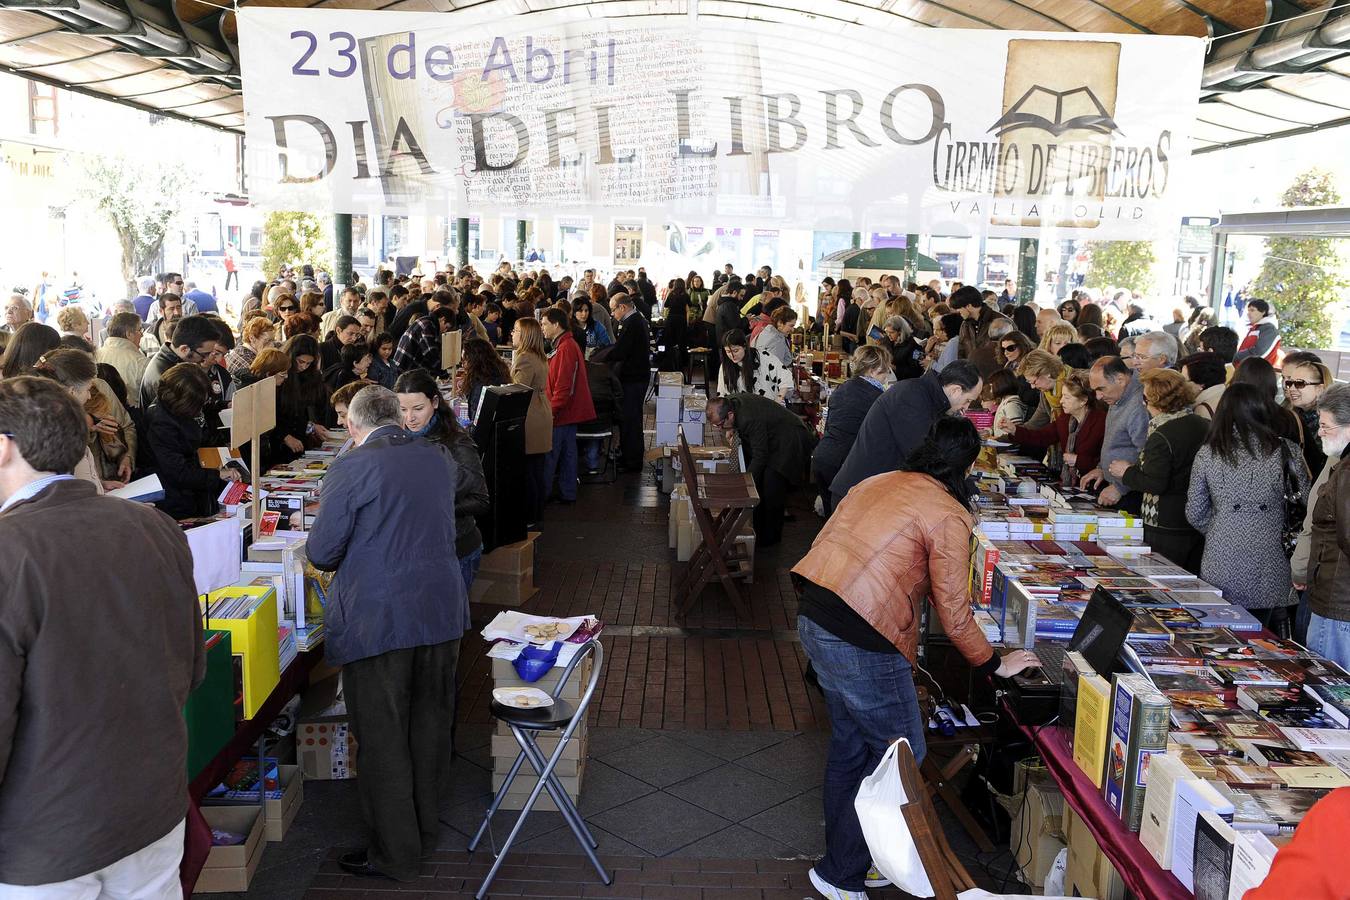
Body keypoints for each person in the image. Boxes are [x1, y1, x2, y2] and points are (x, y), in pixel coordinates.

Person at [792, 417, 1037, 900]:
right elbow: (953, 609)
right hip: (863, 636)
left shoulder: (879, 479)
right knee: (902, 755)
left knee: (853, 749)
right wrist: (993, 665)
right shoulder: (947, 512)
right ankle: (843, 872)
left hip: (817, 613)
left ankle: (853, 861)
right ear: (966, 468)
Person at [0, 376, 204, 898]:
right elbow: (192, 666)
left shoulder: (11, 550)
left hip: (46, 839)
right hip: (151, 808)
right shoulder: (153, 525)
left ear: (4, 448)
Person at [306, 386, 467, 883]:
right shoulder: (439, 457)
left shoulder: (351, 467)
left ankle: (395, 854)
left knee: (382, 735)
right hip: (439, 610)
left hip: (379, 617)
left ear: (352, 428)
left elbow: (323, 551)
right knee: (429, 725)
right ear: (400, 418)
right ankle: (424, 830)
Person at [1186, 383, 1310, 625]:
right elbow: (1303, 501)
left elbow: (1195, 510)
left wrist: (1222, 527)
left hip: (1222, 549)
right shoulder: (1286, 449)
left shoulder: (1209, 452)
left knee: (1221, 625)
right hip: (1272, 549)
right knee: (1267, 630)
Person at [830, 361, 983, 508]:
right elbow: (925, 456)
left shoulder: (928, 398)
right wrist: (964, 490)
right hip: (859, 498)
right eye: (968, 400)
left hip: (874, 496)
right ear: (955, 390)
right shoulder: (912, 396)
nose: (965, 408)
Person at [1107, 369, 1210, 574]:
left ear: (1156, 400)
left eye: (1145, 398)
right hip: (1196, 521)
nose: (1143, 403)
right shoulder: (1204, 425)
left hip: (1164, 524)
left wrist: (1125, 472)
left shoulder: (1161, 434)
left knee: (1163, 581)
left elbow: (1155, 482)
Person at [396, 369, 490, 591]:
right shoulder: (396, 439)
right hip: (413, 550)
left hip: (455, 549)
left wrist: (432, 507)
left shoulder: (457, 443)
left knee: (448, 622)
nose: (410, 418)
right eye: (402, 410)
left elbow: (481, 499)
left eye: (418, 409)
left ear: (435, 402)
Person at [707, 393, 816, 547]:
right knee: (760, 483)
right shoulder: (729, 403)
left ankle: (770, 539)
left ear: (730, 415)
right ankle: (758, 530)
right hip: (773, 437)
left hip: (789, 439)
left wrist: (745, 483)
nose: (719, 429)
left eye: (720, 424)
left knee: (772, 485)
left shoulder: (749, 419)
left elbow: (760, 456)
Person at [146, 363, 242, 519]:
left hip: (192, 489)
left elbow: (207, 410)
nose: (201, 407)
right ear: (186, 402)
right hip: (175, 499)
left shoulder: (177, 408)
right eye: (199, 403)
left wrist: (223, 405)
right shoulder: (161, 423)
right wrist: (217, 475)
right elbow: (177, 472)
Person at [1297, 384, 1350, 665]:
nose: (1319, 432)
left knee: (1329, 690)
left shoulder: (1347, 471)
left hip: (1338, 602)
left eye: (1326, 426)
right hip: (1335, 599)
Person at [811, 346, 889, 517]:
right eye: (885, 371)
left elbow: (830, 425)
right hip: (846, 466)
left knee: (830, 523)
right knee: (844, 524)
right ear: (874, 370)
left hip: (823, 457)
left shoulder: (843, 388)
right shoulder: (879, 398)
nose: (887, 375)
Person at [1003, 369, 1105, 487]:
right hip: (1071, 485)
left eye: (1067, 397)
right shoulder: (1065, 419)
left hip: (1094, 487)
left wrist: (1078, 460)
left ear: (1083, 401)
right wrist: (1014, 430)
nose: (1061, 401)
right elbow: (1042, 437)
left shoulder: (1101, 422)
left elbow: (1105, 462)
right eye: (1062, 396)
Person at [1078, 356, 1149, 508]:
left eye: (1101, 389)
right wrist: (1101, 468)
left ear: (1120, 379)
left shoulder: (1138, 407)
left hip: (1130, 493)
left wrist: (1120, 488)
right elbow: (1117, 442)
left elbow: (1147, 456)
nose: (1098, 396)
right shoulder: (1118, 394)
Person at [541, 307, 594, 503]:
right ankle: (567, 493)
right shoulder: (566, 345)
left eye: (545, 324)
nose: (543, 328)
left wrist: (552, 412)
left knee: (553, 456)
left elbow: (564, 387)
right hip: (567, 412)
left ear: (556, 325)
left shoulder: (565, 348)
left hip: (562, 412)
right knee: (567, 455)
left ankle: (545, 496)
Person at [510, 317, 553, 527]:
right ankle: (536, 515)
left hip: (530, 415)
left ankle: (529, 517)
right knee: (536, 469)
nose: (512, 333)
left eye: (516, 330)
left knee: (528, 471)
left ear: (525, 334)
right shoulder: (539, 356)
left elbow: (519, 389)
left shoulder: (524, 357)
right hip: (541, 410)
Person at [604, 293, 650, 472]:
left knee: (631, 420)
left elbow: (622, 350)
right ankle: (628, 456)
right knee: (629, 419)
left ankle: (632, 461)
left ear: (622, 307)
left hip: (634, 378)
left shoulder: (633, 323)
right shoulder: (635, 320)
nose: (612, 313)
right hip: (635, 376)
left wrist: (604, 355)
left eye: (613, 309)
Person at [139, 315, 222, 410]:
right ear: (184, 349)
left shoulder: (176, 362)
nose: (207, 358)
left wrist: (222, 406)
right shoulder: (165, 377)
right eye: (205, 354)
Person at [1281, 353, 1333, 480]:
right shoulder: (1293, 416)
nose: (1291, 388)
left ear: (1319, 389)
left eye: (1300, 384)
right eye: (1289, 382)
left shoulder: (1330, 425)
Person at [718, 328, 789, 402]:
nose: (732, 356)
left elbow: (785, 376)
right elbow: (722, 393)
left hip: (766, 407)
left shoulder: (763, 357)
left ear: (744, 346)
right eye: (728, 351)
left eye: (736, 351)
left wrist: (779, 399)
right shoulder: (725, 366)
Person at [95, 312, 149, 407]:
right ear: (129, 334)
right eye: (140, 330)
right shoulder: (141, 363)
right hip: (132, 417)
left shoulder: (94, 356)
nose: (142, 334)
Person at [458, 337, 511, 414]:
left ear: (474, 361)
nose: (463, 365)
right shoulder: (499, 374)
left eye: (464, 360)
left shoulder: (479, 386)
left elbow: (475, 418)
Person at [1179, 351, 1226, 419]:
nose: (1180, 385)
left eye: (1184, 381)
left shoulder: (1202, 411)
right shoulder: (1227, 394)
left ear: (1201, 384)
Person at [877, 315, 924, 382]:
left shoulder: (914, 345)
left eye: (892, 332)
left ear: (900, 332)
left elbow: (916, 371)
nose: (888, 335)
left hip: (906, 382)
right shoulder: (887, 341)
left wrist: (895, 368)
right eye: (887, 332)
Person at [1234, 298, 1281, 364]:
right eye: (1248, 310)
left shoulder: (1269, 329)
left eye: (1252, 310)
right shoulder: (1255, 328)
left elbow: (1259, 353)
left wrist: (1235, 356)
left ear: (1263, 312)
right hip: (1247, 369)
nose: (1248, 313)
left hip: (1258, 371)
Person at [986, 369, 1028, 438]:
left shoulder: (1011, 405)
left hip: (1010, 448)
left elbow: (1016, 431)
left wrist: (996, 439)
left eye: (991, 386)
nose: (990, 390)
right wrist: (989, 431)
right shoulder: (1005, 402)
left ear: (1000, 385)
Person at [753, 305, 796, 370]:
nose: (793, 330)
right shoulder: (777, 340)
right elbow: (776, 369)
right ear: (780, 323)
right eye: (791, 326)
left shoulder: (765, 332)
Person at [662, 278, 690, 371]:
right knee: (682, 341)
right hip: (681, 319)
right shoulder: (685, 295)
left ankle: (670, 361)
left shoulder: (671, 294)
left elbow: (666, 305)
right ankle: (682, 362)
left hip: (671, 319)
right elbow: (690, 305)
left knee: (670, 341)